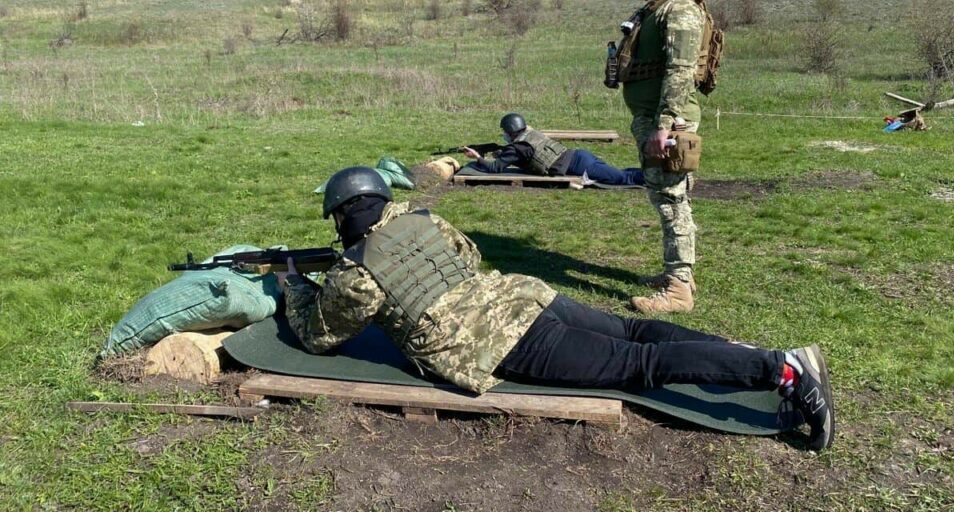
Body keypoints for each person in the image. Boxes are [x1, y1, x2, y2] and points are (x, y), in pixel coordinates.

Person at [280, 166, 836, 451]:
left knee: (633, 369)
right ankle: (750, 355)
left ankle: (779, 369)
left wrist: (294, 286)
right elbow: (469, 256)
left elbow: (318, 337)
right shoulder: (423, 219)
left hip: (498, 339)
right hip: (524, 294)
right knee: (634, 330)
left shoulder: (355, 274)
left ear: (341, 214)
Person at [615, 0, 711, 314]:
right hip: (654, 118)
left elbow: (680, 70)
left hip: (668, 121)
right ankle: (678, 273)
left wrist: (665, 124)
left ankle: (678, 290)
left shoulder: (681, 10)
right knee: (666, 197)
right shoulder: (655, 11)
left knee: (672, 199)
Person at [462, 113, 645, 187]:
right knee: (620, 173)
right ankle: (652, 174)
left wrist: (477, 157)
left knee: (622, 179)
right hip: (579, 156)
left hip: (579, 165)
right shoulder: (529, 134)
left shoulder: (517, 148)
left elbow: (495, 169)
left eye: (504, 132)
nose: (503, 134)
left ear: (510, 132)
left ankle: (655, 178)